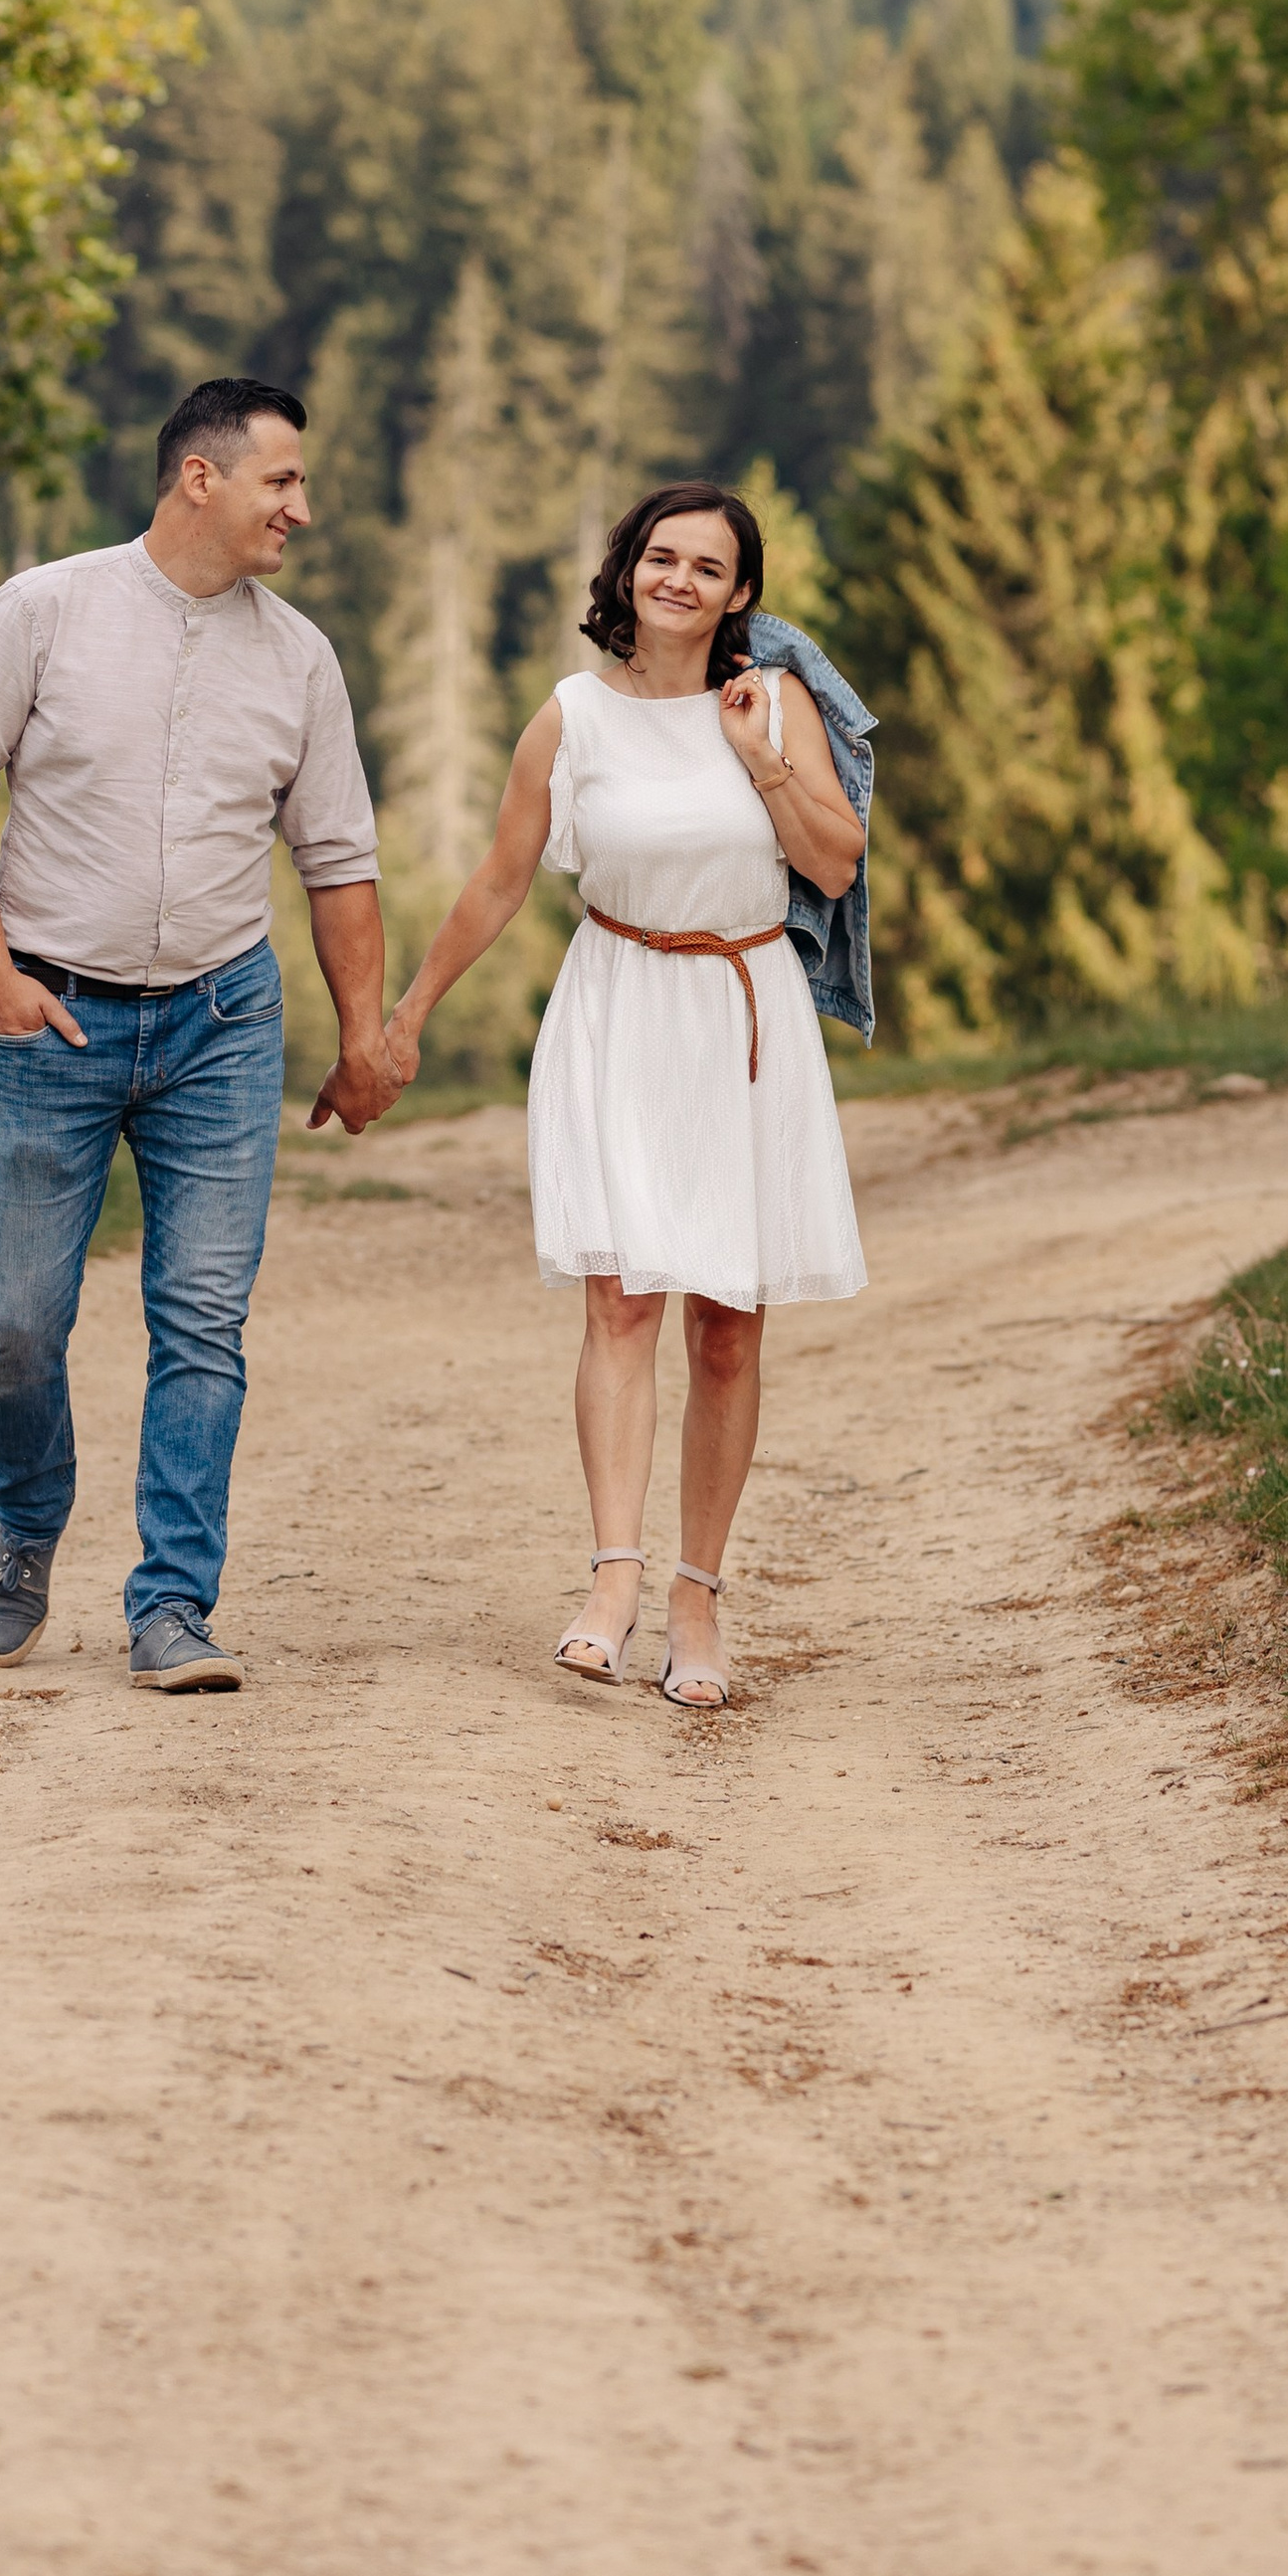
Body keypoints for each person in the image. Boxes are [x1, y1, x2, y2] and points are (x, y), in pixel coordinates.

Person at [0, 377, 401, 1694]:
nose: (303, 507)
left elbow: (340, 861)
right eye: (280, 481)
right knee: (17, 1325)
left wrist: (363, 1035)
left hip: (221, 1025)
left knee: (201, 1323)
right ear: (201, 476)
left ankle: (172, 1604)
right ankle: (27, 1524)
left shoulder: (299, 658)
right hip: (50, 1019)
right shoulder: (45, 612)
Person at [383, 481, 868, 1709]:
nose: (679, 582)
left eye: (708, 568)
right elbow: (500, 881)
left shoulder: (774, 706)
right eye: (662, 559)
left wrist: (758, 758)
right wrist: (410, 1012)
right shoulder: (571, 719)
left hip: (741, 1012)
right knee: (619, 1303)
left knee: (728, 1324)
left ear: (740, 593)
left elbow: (833, 859)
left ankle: (697, 1602)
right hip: (616, 1008)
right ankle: (612, 1580)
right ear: (628, 572)